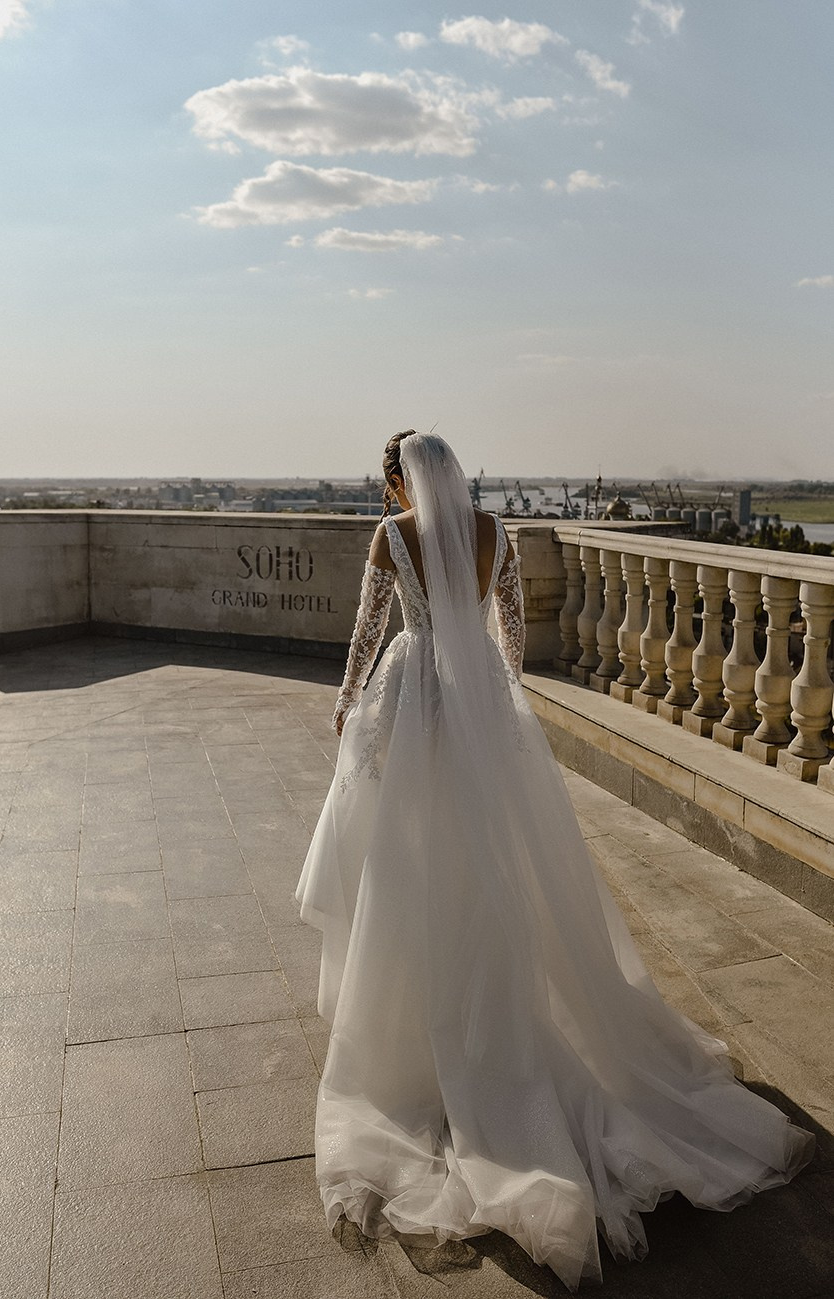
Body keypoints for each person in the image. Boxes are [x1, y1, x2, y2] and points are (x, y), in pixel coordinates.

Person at [295, 430, 814, 1292]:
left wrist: (348, 702)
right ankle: (498, 1003)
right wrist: (495, 700)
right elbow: (511, 629)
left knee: (410, 865)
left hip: (415, 699)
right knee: (494, 868)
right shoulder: (496, 532)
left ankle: (420, 1021)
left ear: (398, 481)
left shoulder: (391, 536)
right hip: (481, 715)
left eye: (385, 481)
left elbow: (367, 630)